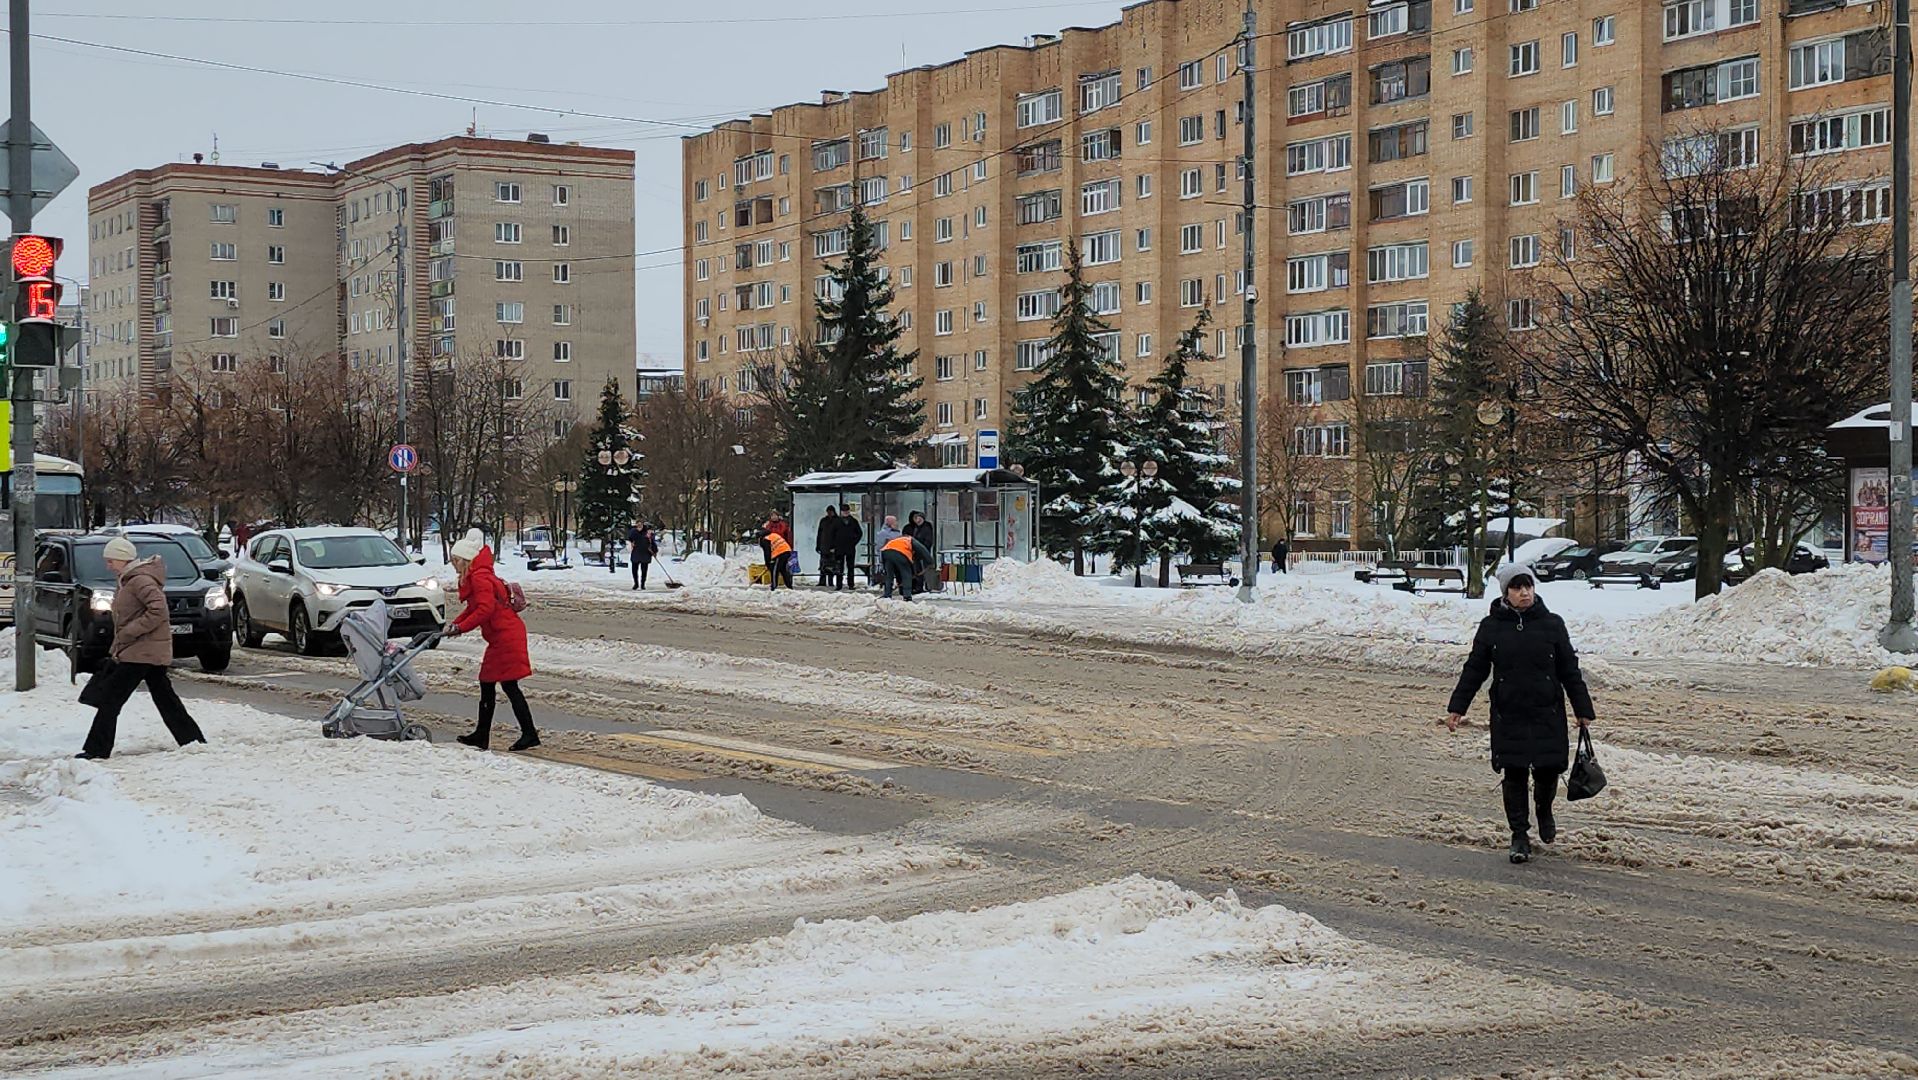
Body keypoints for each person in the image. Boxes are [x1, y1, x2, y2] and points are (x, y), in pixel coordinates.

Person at [1445, 562, 1596, 864]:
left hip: (1547, 710)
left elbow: (1569, 670)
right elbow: (1475, 668)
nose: (1524, 592)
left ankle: (1544, 810)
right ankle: (1519, 835)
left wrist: (1582, 709)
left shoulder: (1552, 624)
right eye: (1517, 587)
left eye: (1528, 586)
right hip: (1509, 712)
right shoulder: (1491, 627)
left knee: (1547, 770)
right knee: (1514, 773)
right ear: (1506, 593)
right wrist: (1457, 707)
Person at [77, 537, 207, 759]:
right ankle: (192, 740)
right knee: (165, 699)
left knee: (111, 699)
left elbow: (159, 610)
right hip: (143, 650)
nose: (108, 566)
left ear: (123, 559)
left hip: (141, 652)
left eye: (111, 561)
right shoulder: (128, 580)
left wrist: (130, 631)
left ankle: (96, 749)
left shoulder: (140, 581)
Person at [447, 529, 540, 751]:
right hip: (504, 635)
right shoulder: (480, 575)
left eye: (455, 560)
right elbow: (474, 608)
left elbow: (485, 610)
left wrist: (461, 627)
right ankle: (511, 733)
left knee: (499, 683)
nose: (453, 565)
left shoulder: (479, 578)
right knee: (500, 684)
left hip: (505, 636)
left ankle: (521, 734)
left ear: (465, 560)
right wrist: (456, 625)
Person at [880, 530, 933, 601]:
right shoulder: (910, 539)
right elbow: (922, 550)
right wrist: (930, 561)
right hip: (900, 553)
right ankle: (907, 596)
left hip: (886, 553)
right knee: (906, 574)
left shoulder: (895, 540)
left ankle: (887, 595)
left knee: (889, 575)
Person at [906, 510, 937, 593]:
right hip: (917, 553)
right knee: (918, 570)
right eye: (916, 518)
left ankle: (927, 585)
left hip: (923, 552)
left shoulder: (926, 528)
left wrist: (923, 549)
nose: (918, 520)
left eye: (919, 518)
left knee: (924, 569)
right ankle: (919, 586)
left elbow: (928, 541)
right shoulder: (916, 528)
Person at [834, 506, 862, 590]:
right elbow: (831, 534)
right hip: (839, 548)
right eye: (844, 511)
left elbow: (859, 533)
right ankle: (839, 584)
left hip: (850, 547)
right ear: (841, 512)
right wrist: (833, 545)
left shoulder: (853, 521)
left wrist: (854, 542)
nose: (845, 512)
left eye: (847, 511)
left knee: (850, 566)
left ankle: (851, 584)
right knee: (839, 566)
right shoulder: (837, 522)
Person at [627, 521, 659, 590]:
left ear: (643, 525)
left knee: (644, 571)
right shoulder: (634, 532)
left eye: (640, 525)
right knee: (634, 570)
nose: (639, 526)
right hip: (636, 553)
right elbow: (630, 537)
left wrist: (655, 551)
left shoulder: (648, 533)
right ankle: (636, 583)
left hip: (645, 553)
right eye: (637, 525)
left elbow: (653, 543)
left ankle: (642, 584)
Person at [815, 505, 840, 589]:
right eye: (828, 512)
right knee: (823, 564)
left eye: (830, 512)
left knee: (832, 565)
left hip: (832, 547)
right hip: (824, 546)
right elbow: (819, 534)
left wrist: (836, 546)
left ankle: (830, 581)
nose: (829, 513)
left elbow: (838, 535)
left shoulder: (837, 521)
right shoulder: (823, 521)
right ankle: (822, 581)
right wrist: (818, 545)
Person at [763, 526, 795, 591]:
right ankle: (789, 586)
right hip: (787, 551)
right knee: (783, 570)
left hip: (780, 553)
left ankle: (773, 587)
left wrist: (768, 563)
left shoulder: (765, 539)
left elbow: (767, 553)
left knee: (774, 570)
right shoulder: (774, 535)